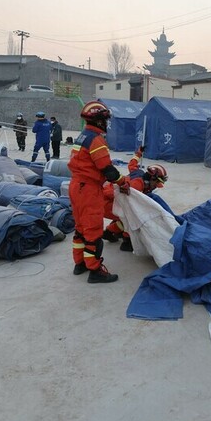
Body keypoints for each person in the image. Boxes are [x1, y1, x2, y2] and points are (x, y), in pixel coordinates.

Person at [68, 101, 130, 284]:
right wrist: (122, 182)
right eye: (104, 120)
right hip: (88, 189)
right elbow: (108, 170)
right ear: (98, 121)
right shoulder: (96, 140)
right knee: (93, 231)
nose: (106, 124)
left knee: (80, 228)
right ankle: (95, 270)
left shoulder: (82, 137)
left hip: (75, 186)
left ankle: (79, 263)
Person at [103, 146, 168, 251]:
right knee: (132, 217)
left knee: (127, 215)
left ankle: (111, 232)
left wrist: (139, 153)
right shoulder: (137, 186)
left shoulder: (139, 173)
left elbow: (132, 163)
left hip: (111, 200)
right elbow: (119, 196)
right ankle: (125, 241)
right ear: (151, 178)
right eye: (156, 183)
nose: (156, 186)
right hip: (106, 203)